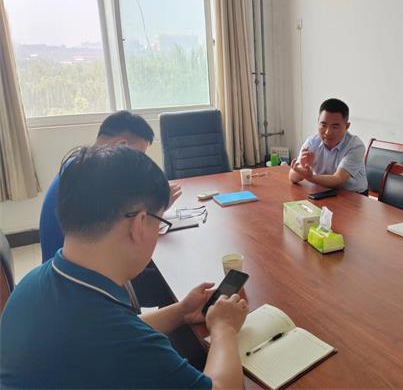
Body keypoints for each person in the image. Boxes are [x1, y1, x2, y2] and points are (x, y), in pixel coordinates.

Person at [1, 146, 248, 389]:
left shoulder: (34, 282)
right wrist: (223, 328)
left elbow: (118, 330)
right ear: (139, 224)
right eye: (160, 221)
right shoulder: (120, 342)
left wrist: (181, 311)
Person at [39, 110, 181, 263]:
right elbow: (127, 231)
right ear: (121, 145)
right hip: (76, 269)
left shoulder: (78, 166)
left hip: (62, 263)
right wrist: (158, 208)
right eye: (139, 155)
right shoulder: (94, 177)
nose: (139, 162)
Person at [289, 98, 368, 194]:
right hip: (324, 190)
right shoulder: (312, 142)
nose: (328, 132)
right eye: (323, 125)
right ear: (318, 121)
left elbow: (338, 180)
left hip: (353, 195)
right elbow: (292, 177)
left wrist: (310, 177)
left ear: (347, 126)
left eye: (335, 127)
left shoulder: (355, 146)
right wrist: (303, 166)